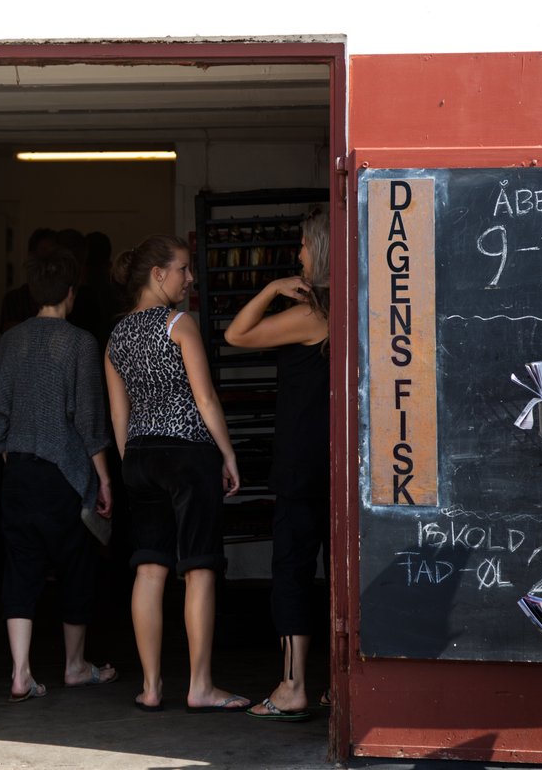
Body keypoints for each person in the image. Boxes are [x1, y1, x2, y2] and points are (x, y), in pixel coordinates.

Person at [104, 234, 250, 714]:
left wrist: (131, 463)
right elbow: (206, 399)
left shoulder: (116, 337)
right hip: (187, 454)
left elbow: (119, 415)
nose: (190, 278)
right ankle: (200, 686)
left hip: (140, 457)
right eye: (183, 269)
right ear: (157, 274)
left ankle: (150, 686)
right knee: (199, 566)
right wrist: (227, 453)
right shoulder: (179, 324)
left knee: (149, 568)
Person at [0, 247, 116, 702]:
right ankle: (76, 666)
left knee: (21, 568)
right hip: (64, 474)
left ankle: (20, 673)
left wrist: (7, 451)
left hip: (18, 471)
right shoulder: (80, 342)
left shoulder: (12, 340)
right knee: (75, 566)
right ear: (70, 292)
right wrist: (103, 478)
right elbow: (88, 419)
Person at [223, 208, 331, 722]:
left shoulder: (312, 313)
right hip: (339, 461)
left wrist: (270, 290)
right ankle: (344, 684)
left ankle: (292, 687)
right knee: (343, 573)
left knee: (291, 568)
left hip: (301, 461)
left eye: (306, 248)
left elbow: (237, 335)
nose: (299, 256)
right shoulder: (352, 305)